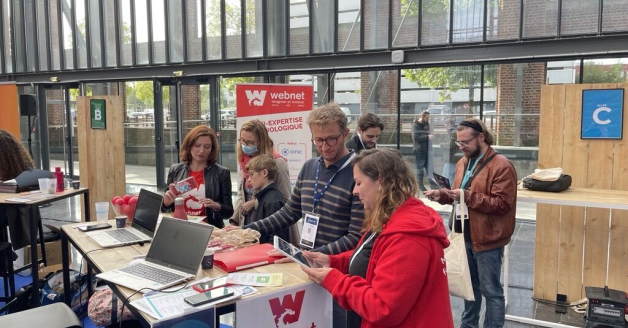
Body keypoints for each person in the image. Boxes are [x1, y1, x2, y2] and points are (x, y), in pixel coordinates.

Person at [225, 102, 365, 328]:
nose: (325, 146)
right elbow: (291, 211)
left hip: (340, 275)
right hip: (307, 268)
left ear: (345, 134)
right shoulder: (310, 167)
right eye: (318, 140)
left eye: (332, 139)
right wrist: (248, 230)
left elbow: (355, 237)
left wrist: (310, 254)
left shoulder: (359, 173)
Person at [300, 148, 454, 328]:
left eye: (358, 183)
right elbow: (374, 258)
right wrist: (333, 261)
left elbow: (383, 307)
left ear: (380, 180)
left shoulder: (407, 236)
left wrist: (335, 280)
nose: (354, 191)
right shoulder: (393, 216)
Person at [425, 118, 517, 328]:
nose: (462, 147)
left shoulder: (502, 165)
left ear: (481, 137)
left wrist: (465, 195)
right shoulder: (463, 162)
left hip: (487, 238)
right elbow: (460, 195)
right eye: (459, 143)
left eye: (465, 142)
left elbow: (502, 204)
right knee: (470, 288)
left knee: (491, 291)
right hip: (464, 234)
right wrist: (444, 195)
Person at [229, 120, 297, 242]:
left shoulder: (278, 163)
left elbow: (286, 201)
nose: (245, 145)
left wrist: (255, 202)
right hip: (249, 225)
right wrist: (234, 222)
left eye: (250, 142)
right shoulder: (245, 160)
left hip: (271, 228)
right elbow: (242, 195)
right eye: (242, 140)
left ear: (261, 142)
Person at [162, 125, 233, 228]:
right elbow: (164, 209)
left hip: (209, 230)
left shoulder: (222, 173)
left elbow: (228, 212)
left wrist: (217, 206)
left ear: (212, 149)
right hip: (180, 227)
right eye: (197, 145)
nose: (201, 151)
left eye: (207, 147)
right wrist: (166, 203)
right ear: (189, 145)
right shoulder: (175, 170)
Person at [0, 130, 38, 251]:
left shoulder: (13, 178)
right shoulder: (21, 168)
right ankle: (6, 258)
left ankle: (6, 258)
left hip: (10, 210)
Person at [244, 154, 288, 244]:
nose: (248, 180)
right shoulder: (263, 197)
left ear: (264, 173)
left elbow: (276, 241)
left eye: (251, 175)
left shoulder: (273, 201)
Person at [412, 110, 434, 191]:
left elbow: (427, 134)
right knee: (420, 169)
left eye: (428, 118)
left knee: (430, 168)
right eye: (427, 118)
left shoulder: (426, 124)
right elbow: (416, 138)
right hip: (420, 150)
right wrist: (428, 137)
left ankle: (432, 184)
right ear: (422, 117)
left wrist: (430, 135)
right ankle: (420, 185)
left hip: (428, 149)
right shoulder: (415, 125)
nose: (428, 119)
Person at [439, 118, 459, 185]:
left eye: (446, 125)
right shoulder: (452, 132)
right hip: (451, 157)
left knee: (446, 177)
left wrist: (442, 145)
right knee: (450, 177)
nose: (445, 127)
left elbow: (451, 144)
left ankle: (448, 192)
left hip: (452, 158)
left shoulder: (453, 133)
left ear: (450, 124)